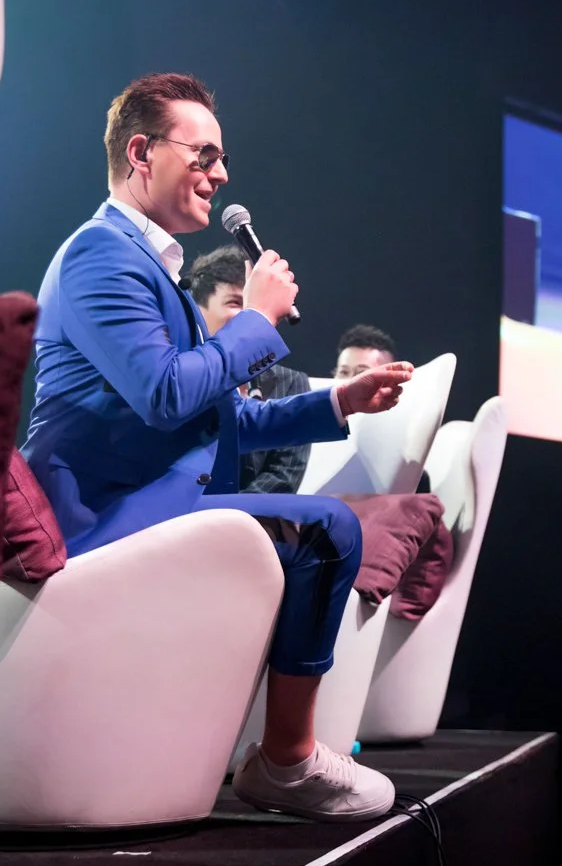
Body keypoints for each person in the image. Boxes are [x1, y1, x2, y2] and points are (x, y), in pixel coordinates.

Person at [21, 72, 414, 822]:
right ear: (141, 151)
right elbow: (166, 392)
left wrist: (340, 400)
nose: (221, 174)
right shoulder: (99, 255)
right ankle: (289, 762)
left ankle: (277, 752)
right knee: (327, 531)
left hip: (151, 502)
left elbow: (218, 413)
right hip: (100, 515)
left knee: (323, 526)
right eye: (203, 155)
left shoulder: (149, 269)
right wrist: (257, 319)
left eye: (221, 159)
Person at [185, 245, 311, 494]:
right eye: (235, 303)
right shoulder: (184, 377)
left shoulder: (291, 383)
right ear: (198, 310)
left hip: (252, 521)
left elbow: (282, 478)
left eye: (256, 306)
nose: (249, 317)